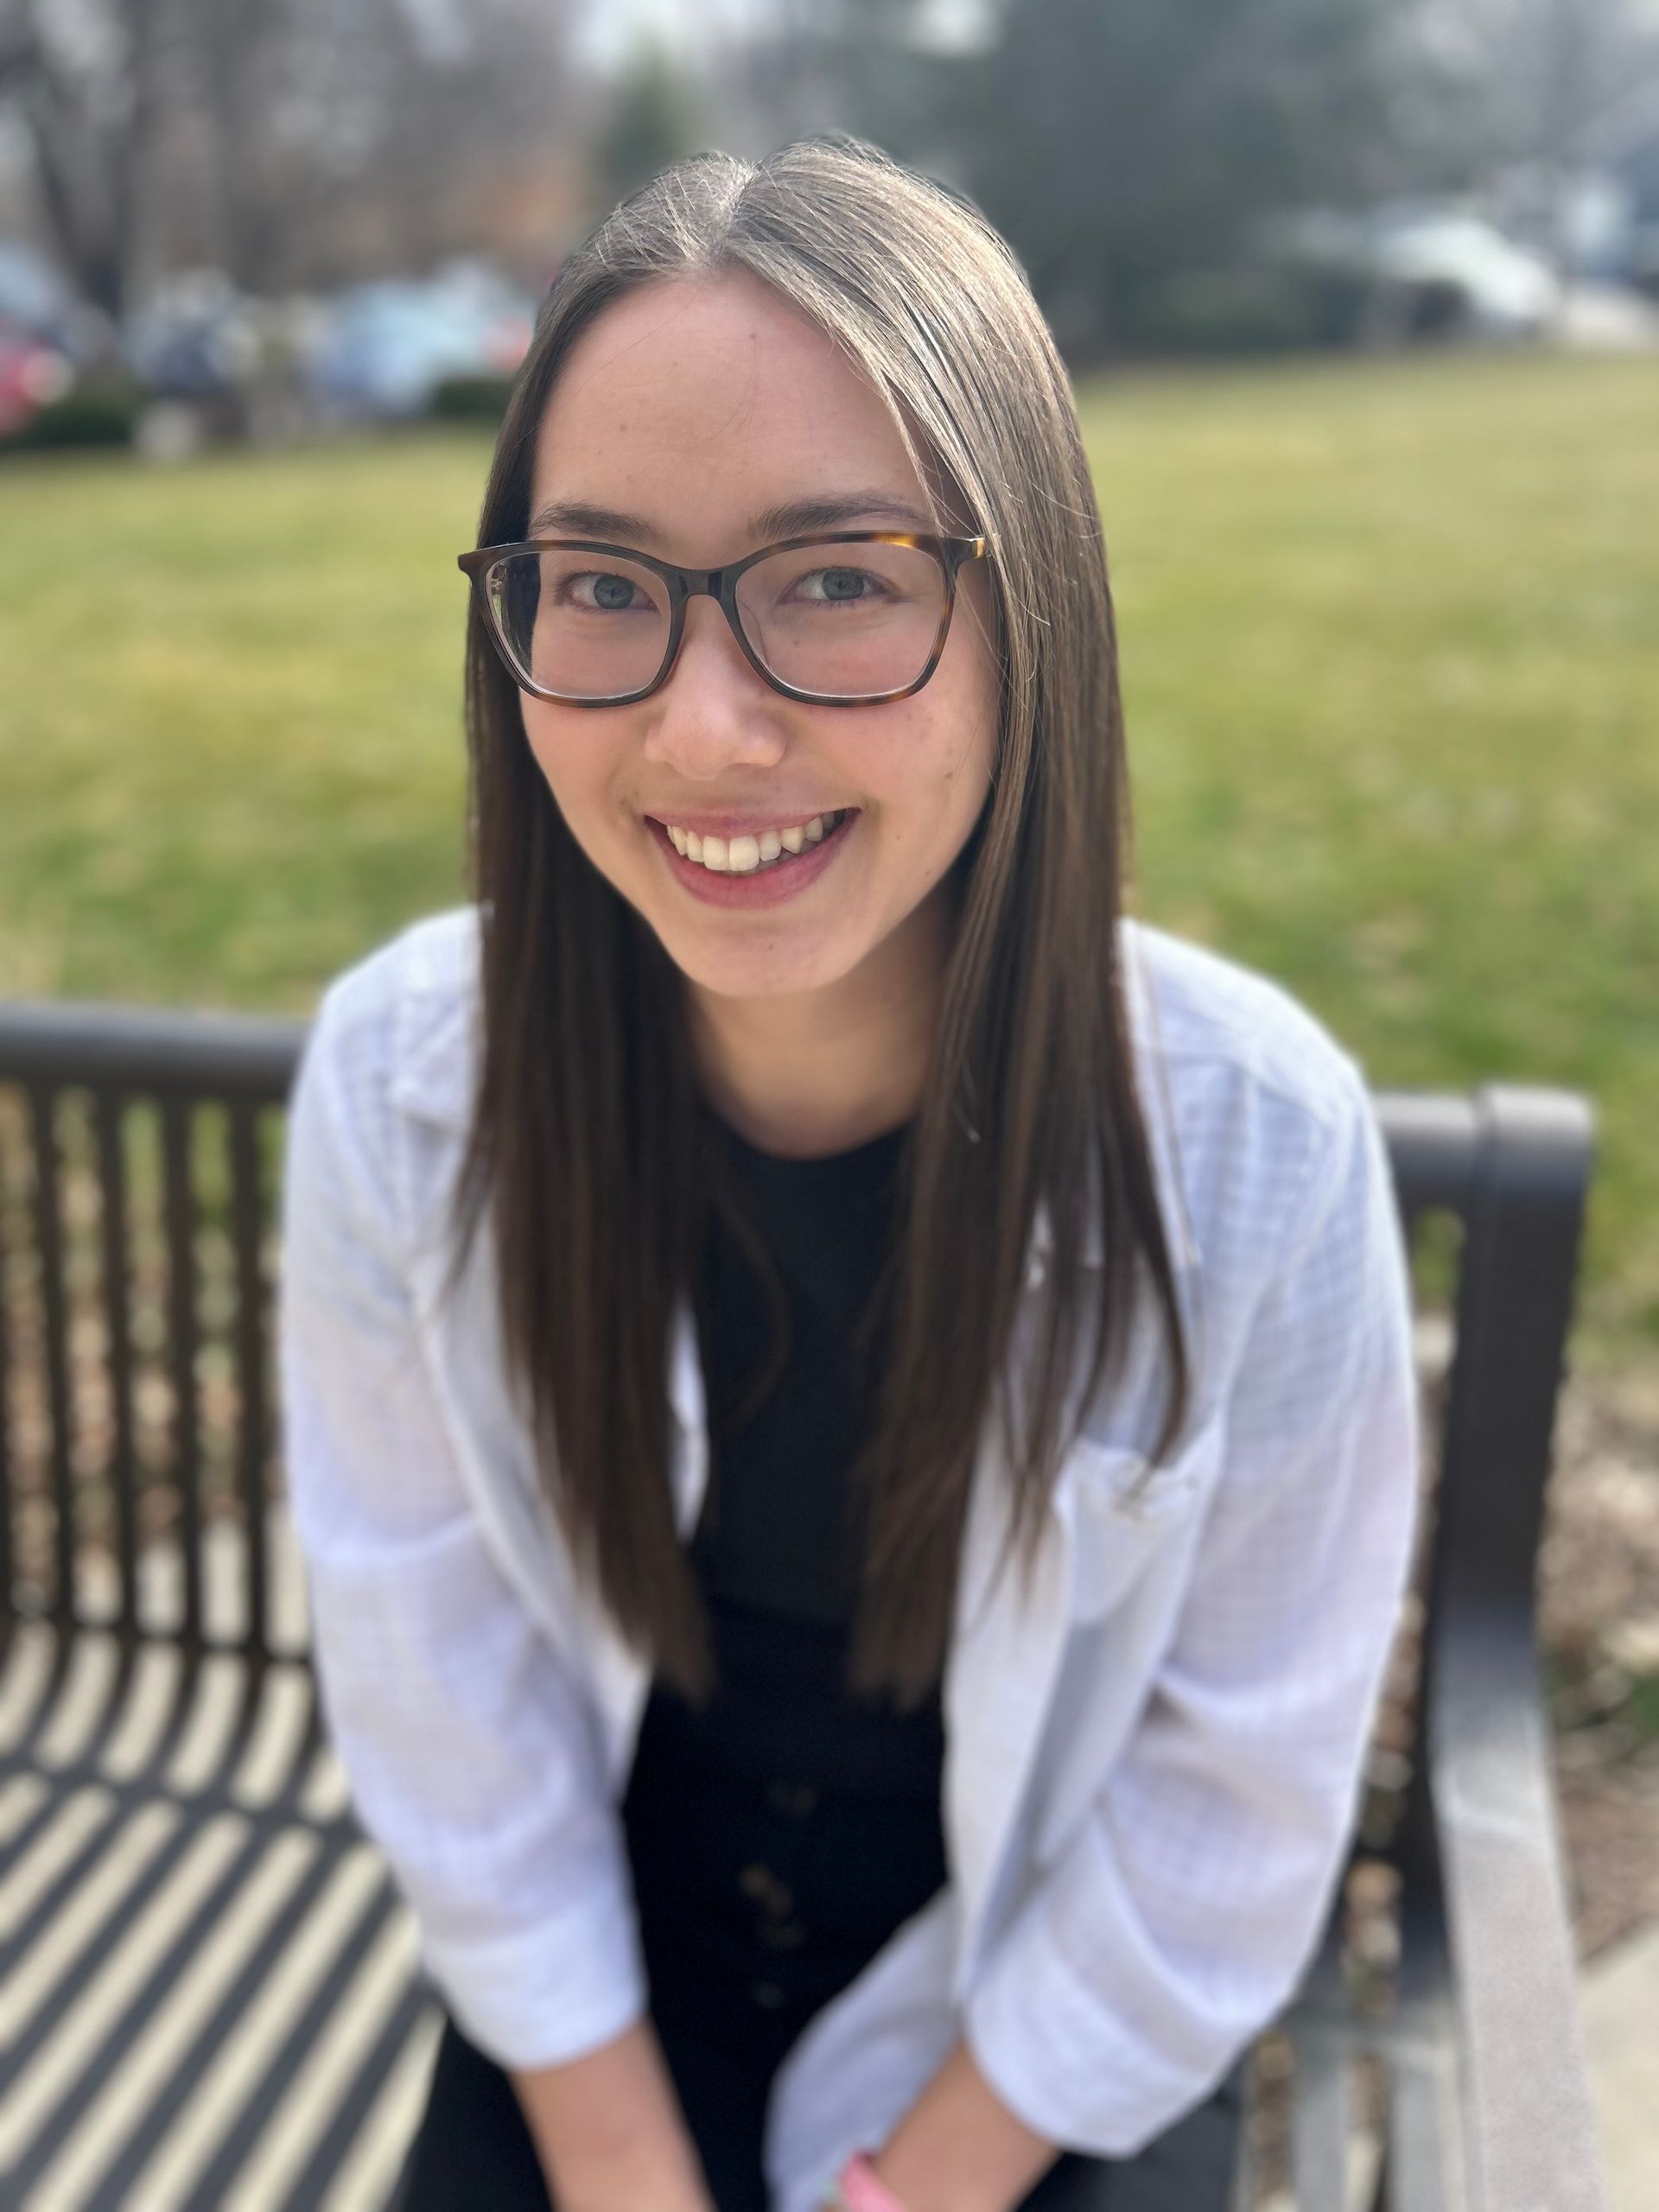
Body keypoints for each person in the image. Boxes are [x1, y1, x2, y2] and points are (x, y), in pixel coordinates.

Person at [277, 137, 1421, 2212]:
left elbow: (1228, 1809)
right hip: (596, 1999)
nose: (706, 731)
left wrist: (916, 2180)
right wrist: (625, 2163)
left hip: (1042, 2013)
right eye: (606, 584)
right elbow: (448, 1701)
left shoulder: (1259, 1147)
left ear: (1027, 605)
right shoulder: (405, 1087)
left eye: (837, 577)